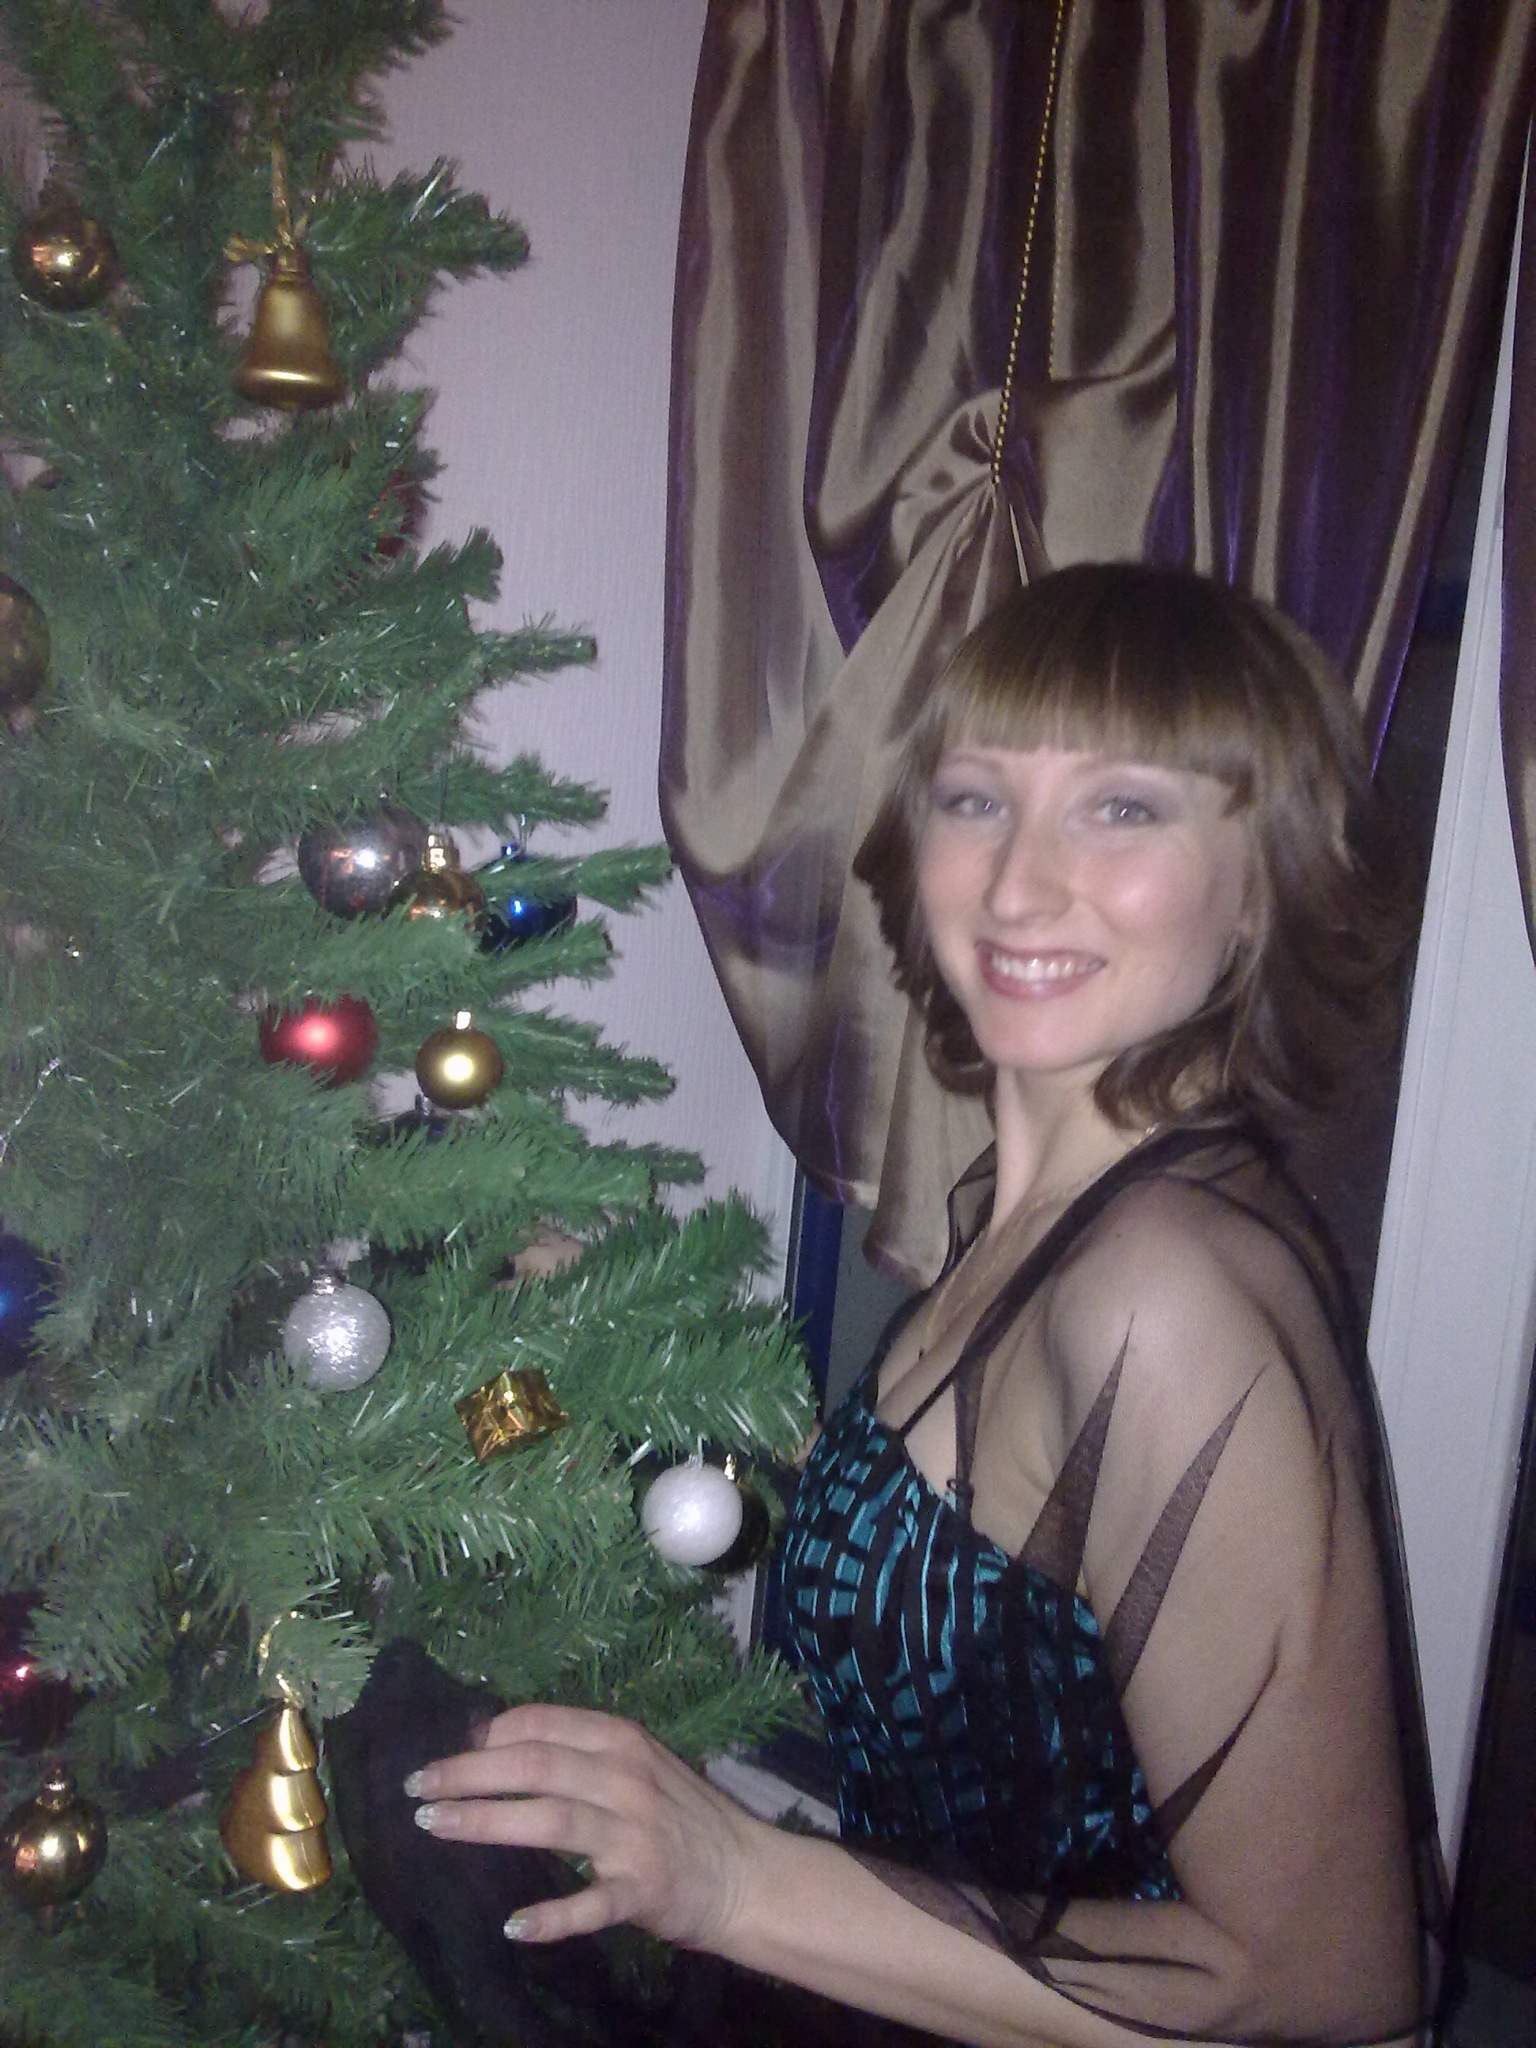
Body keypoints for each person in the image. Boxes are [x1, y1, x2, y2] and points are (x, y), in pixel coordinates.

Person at [404, 564, 1444, 2047]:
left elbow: (1326, 1985)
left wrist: (732, 1877)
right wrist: (636, 1343)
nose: (1019, 884)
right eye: (976, 798)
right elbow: (984, 1594)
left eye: (1123, 807)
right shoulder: (1033, 1216)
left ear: (1262, 879)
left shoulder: (1163, 1295)